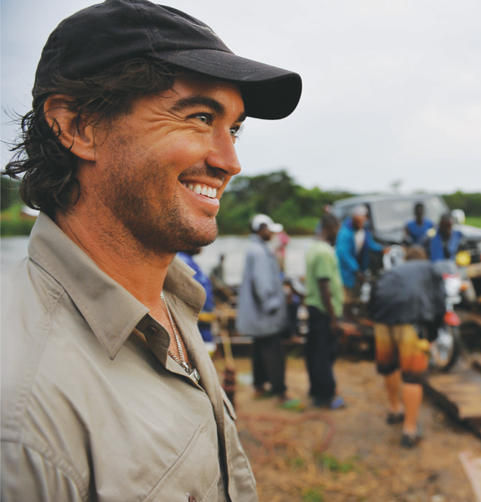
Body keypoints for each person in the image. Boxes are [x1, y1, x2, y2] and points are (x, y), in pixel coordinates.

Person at [0, 0, 301, 499]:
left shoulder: (166, 299)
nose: (231, 161)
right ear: (75, 126)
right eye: (200, 117)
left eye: (235, 128)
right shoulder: (26, 415)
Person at [369, 251, 445, 447]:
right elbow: (439, 305)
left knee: (390, 367)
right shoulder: (430, 269)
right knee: (413, 377)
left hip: (382, 319)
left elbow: (372, 295)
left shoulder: (393, 271)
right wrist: (433, 337)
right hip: (411, 322)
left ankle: (395, 410)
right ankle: (409, 430)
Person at [236, 214, 300, 408]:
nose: (271, 233)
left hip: (258, 314)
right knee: (274, 352)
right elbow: (263, 285)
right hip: (265, 315)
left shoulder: (256, 249)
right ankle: (280, 392)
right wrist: (274, 306)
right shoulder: (260, 252)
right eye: (269, 229)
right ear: (260, 230)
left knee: (259, 348)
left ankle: (259, 386)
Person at [305, 214, 346, 409]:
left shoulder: (313, 248)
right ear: (330, 227)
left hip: (315, 309)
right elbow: (324, 285)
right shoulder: (324, 252)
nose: (339, 233)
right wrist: (333, 319)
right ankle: (326, 396)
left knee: (314, 351)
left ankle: (316, 390)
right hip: (324, 311)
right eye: (338, 228)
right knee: (324, 354)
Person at [335, 204, 383, 317]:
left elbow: (369, 244)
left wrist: (382, 249)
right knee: (346, 296)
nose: (363, 221)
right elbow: (344, 254)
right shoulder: (344, 233)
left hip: (359, 268)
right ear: (354, 218)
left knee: (357, 295)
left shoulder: (364, 230)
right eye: (361, 219)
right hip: (346, 270)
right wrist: (356, 269)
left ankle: (354, 316)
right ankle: (345, 318)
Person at [177, 248, 217, 354]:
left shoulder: (187, 261)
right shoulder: (182, 262)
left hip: (200, 317)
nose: (202, 246)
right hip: (194, 319)